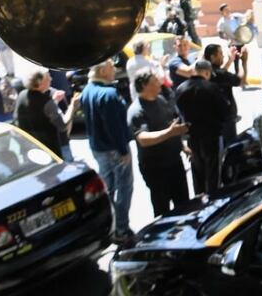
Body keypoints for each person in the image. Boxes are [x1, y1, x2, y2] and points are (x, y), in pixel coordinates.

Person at [80, 59, 135, 246]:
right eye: (111, 67)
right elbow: (114, 127)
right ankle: (121, 229)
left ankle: (109, 227)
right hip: (114, 149)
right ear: (103, 71)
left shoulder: (87, 91)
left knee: (109, 188)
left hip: (98, 148)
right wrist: (123, 150)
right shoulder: (108, 94)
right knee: (123, 188)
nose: (115, 70)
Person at [128, 69, 190, 216]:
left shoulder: (161, 100)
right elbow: (143, 139)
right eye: (155, 81)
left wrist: (182, 146)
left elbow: (170, 124)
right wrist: (170, 132)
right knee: (162, 209)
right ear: (144, 85)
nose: (159, 83)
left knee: (184, 204)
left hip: (174, 162)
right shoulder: (137, 111)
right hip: (156, 168)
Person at [174, 60, 234, 196]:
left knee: (197, 173)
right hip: (212, 136)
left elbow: (178, 114)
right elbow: (225, 111)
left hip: (192, 137)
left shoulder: (180, 89)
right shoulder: (212, 88)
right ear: (207, 73)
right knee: (213, 173)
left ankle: (200, 199)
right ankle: (213, 199)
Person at [16, 68, 80, 161]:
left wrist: (54, 102)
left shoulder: (22, 95)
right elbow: (63, 125)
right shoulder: (47, 102)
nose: (51, 79)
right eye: (47, 78)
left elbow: (37, 112)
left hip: (30, 147)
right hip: (50, 150)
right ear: (39, 83)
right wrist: (73, 106)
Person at [204, 43, 246, 146]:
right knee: (230, 146)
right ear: (213, 57)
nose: (223, 56)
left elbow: (221, 73)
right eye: (221, 54)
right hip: (226, 118)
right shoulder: (219, 74)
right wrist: (243, 61)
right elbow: (240, 80)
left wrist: (230, 60)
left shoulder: (207, 71)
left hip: (213, 117)